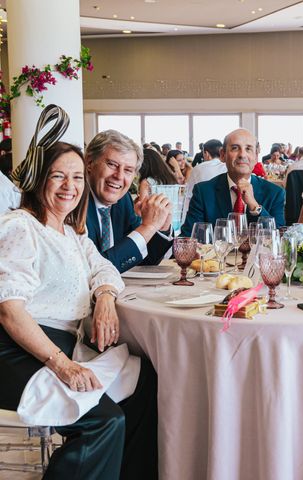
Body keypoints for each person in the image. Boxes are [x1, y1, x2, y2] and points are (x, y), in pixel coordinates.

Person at [0, 106, 157, 479]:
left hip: (62, 346)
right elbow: (9, 311)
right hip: (18, 350)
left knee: (146, 380)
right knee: (102, 422)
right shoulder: (21, 227)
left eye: (75, 177)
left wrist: (103, 297)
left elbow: (103, 266)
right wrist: (62, 365)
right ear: (39, 180)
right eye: (58, 176)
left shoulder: (72, 232)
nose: (69, 186)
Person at [85, 130, 173, 273]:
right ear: (89, 163)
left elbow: (141, 260)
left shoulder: (122, 199)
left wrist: (160, 228)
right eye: (112, 164)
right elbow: (95, 269)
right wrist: (147, 227)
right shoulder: (74, 201)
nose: (119, 176)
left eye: (128, 170)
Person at [181, 128, 286, 234]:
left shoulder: (275, 193)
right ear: (222, 155)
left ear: (256, 156)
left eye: (248, 149)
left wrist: (254, 206)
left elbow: (278, 238)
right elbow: (188, 237)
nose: (242, 155)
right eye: (235, 148)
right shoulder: (203, 191)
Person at [182, 138, 227, 219]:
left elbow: (189, 195)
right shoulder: (227, 167)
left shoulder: (198, 169)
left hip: (202, 212)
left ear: (206, 153)